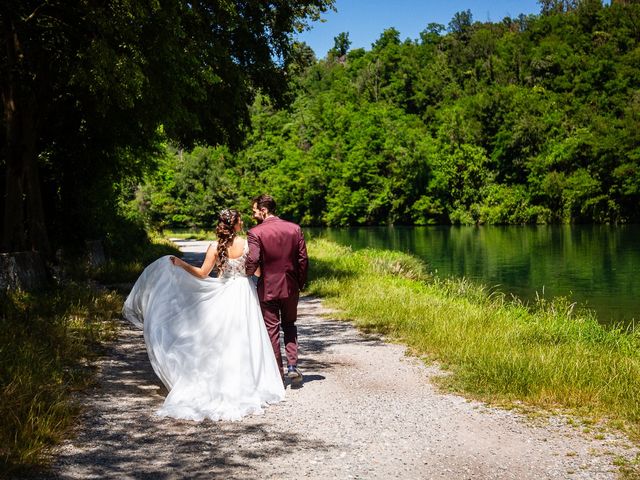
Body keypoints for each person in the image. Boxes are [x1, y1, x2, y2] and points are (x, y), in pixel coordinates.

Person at [122, 209, 285, 421]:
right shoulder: (247, 244)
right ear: (235, 225)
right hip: (245, 292)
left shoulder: (215, 247)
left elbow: (202, 274)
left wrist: (181, 263)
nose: (243, 222)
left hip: (226, 290)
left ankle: (221, 380)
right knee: (247, 336)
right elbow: (256, 272)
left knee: (221, 339)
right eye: (240, 220)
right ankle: (251, 380)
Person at [245, 194, 308, 387]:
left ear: (263, 210)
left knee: (271, 330)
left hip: (268, 288)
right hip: (290, 287)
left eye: (255, 211)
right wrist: (300, 283)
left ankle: (277, 374)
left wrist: (246, 275)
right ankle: (292, 365)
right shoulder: (295, 229)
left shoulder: (255, 232)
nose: (253, 214)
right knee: (289, 324)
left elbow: (253, 259)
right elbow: (302, 260)